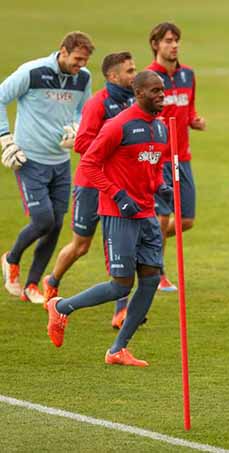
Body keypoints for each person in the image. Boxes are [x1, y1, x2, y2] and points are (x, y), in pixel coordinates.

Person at [45, 71, 171, 367]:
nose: (161, 96)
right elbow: (89, 163)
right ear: (139, 94)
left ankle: (118, 349)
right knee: (120, 286)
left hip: (147, 214)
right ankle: (61, 307)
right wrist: (117, 195)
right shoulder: (119, 125)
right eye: (155, 91)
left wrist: (161, 185)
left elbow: (154, 164)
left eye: (162, 90)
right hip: (119, 215)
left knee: (151, 280)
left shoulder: (162, 128)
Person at [42, 52, 137, 330]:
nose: (134, 75)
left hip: (118, 186)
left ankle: (121, 311)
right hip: (91, 184)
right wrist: (113, 148)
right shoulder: (98, 104)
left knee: (122, 247)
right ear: (113, 76)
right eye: (129, 71)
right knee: (81, 246)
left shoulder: (133, 101)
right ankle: (53, 281)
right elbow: (82, 143)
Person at [1, 32, 94, 304]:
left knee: (56, 226)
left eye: (84, 60)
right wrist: (5, 138)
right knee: (43, 220)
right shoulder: (32, 72)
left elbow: (82, 110)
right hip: (29, 158)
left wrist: (76, 128)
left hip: (61, 161)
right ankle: (11, 258)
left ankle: (31, 285)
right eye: (77, 59)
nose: (80, 66)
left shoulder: (83, 77)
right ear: (62, 52)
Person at [147, 22, 206, 291]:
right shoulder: (148, 78)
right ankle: (156, 272)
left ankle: (145, 243)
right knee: (161, 216)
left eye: (176, 40)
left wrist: (194, 120)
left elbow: (188, 107)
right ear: (156, 45)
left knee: (186, 221)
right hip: (158, 158)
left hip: (183, 157)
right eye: (168, 40)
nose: (174, 45)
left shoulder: (188, 75)